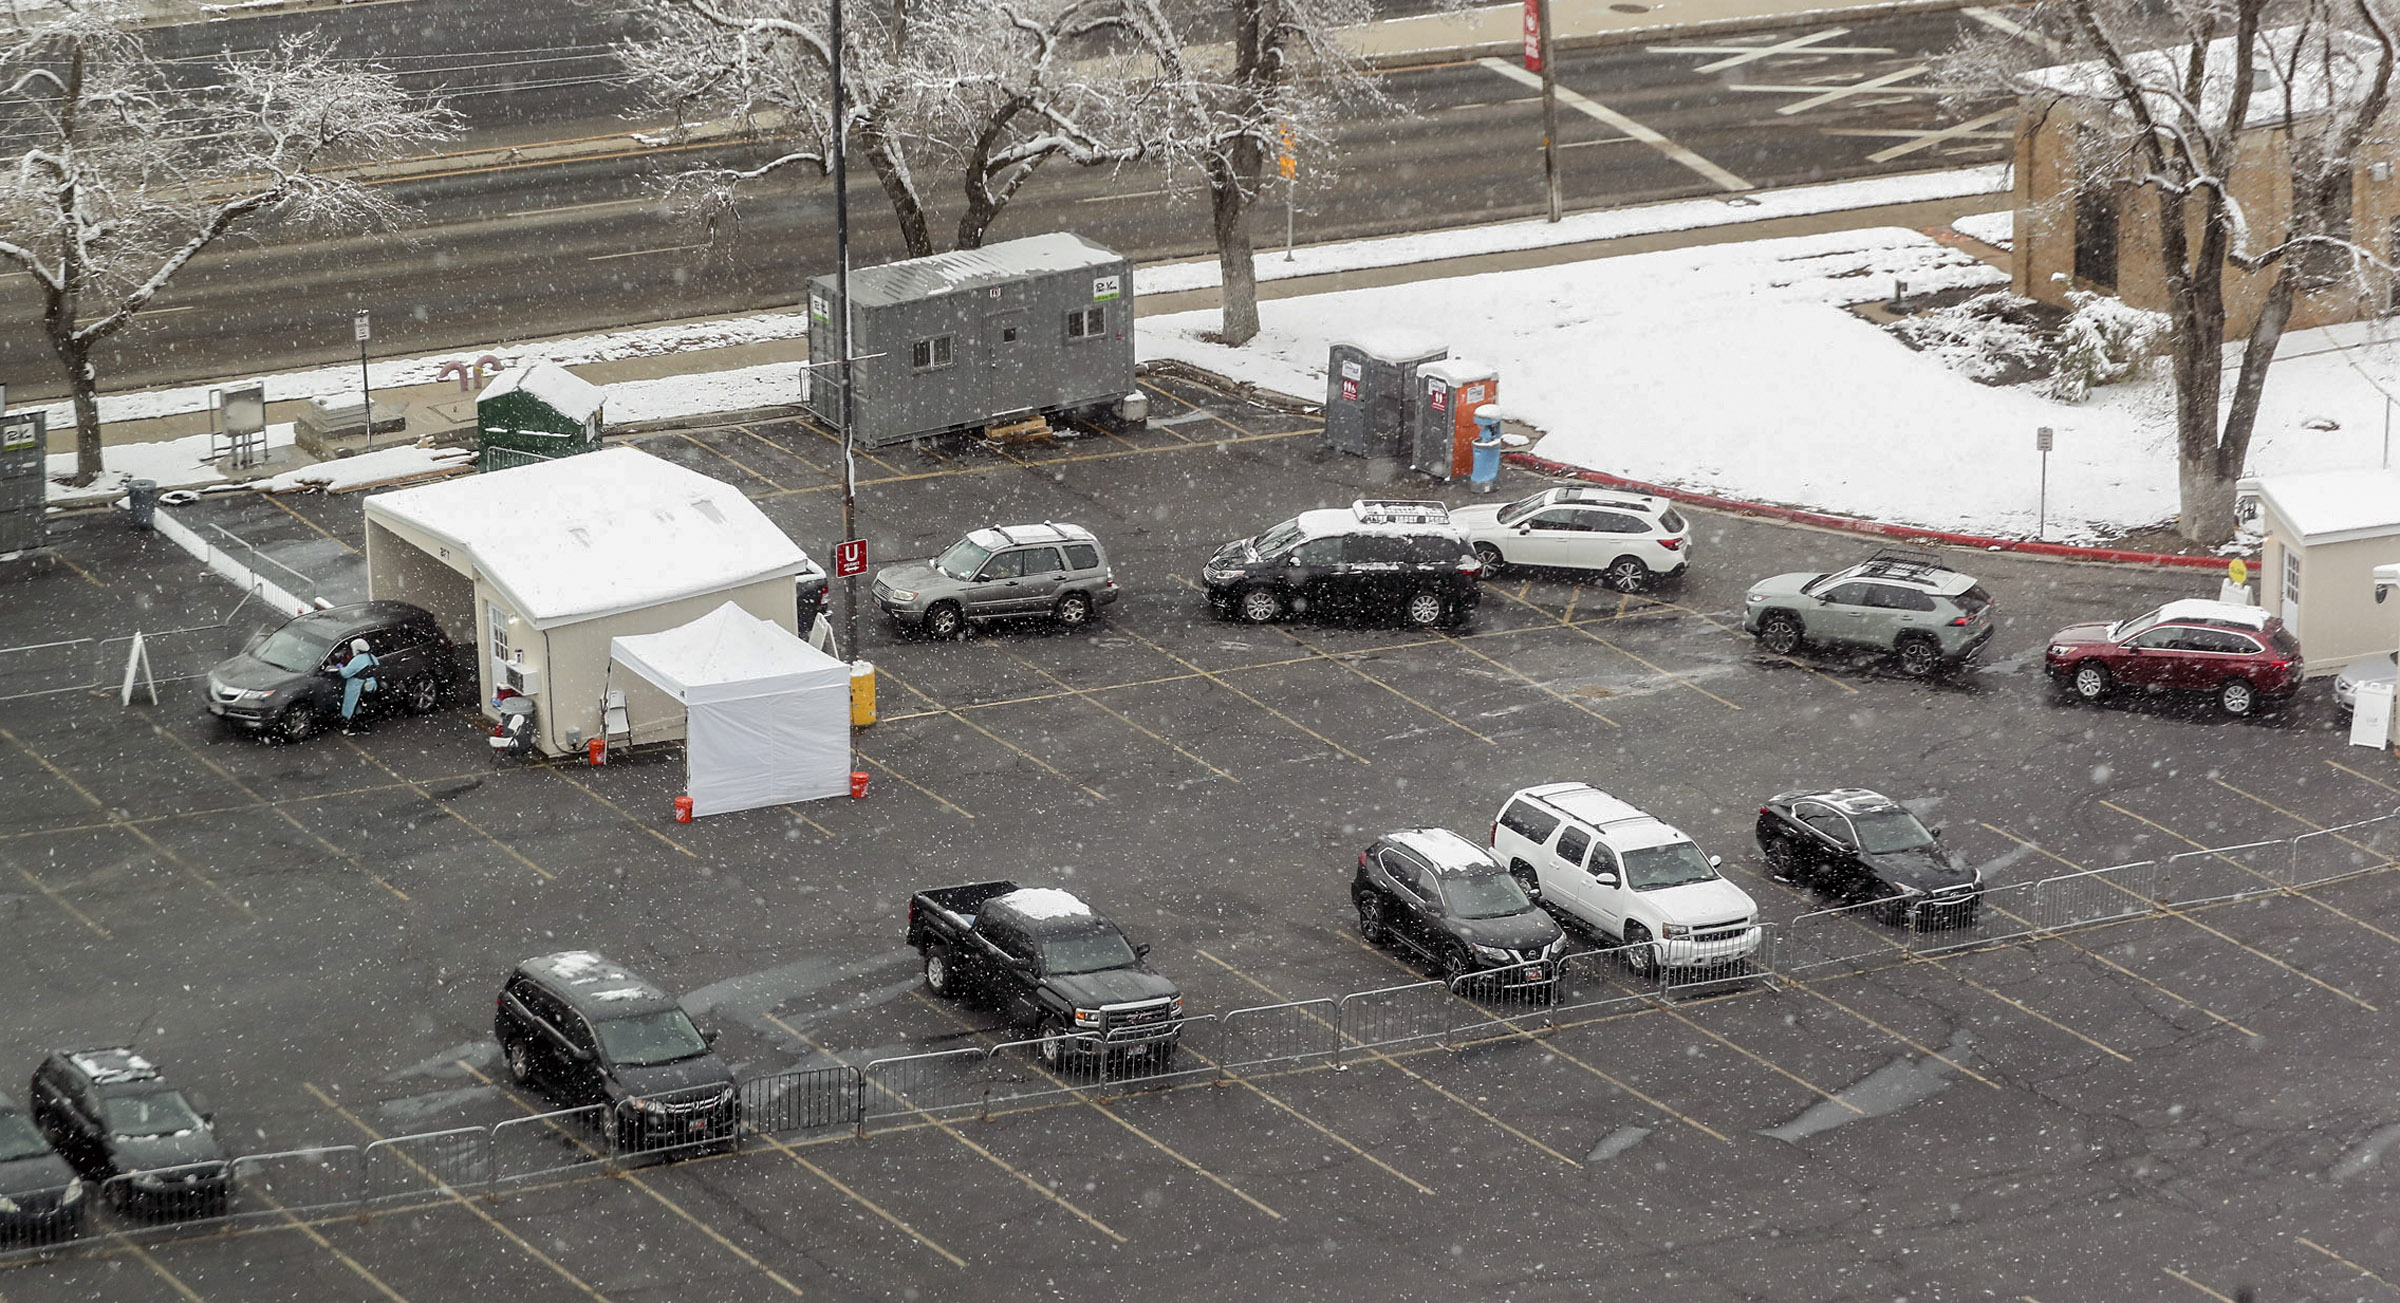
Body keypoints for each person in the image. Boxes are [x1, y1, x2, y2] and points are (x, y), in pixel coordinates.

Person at [337, 638, 380, 735]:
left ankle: (350, 728)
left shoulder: (358, 660)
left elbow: (345, 673)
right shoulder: (372, 657)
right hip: (371, 685)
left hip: (356, 686)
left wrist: (339, 666)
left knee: (351, 707)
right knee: (365, 706)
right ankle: (365, 727)